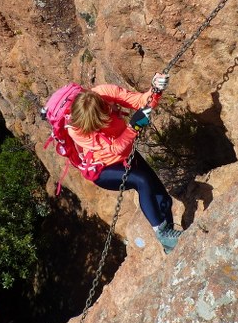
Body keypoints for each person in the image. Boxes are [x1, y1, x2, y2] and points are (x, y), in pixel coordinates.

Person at [66, 73, 182, 252]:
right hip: (104, 169)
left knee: (162, 198)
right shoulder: (76, 129)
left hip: (127, 156)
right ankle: (162, 233)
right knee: (141, 181)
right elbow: (113, 149)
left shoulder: (106, 93)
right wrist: (132, 127)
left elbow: (140, 102)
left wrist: (155, 90)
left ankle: (169, 242)